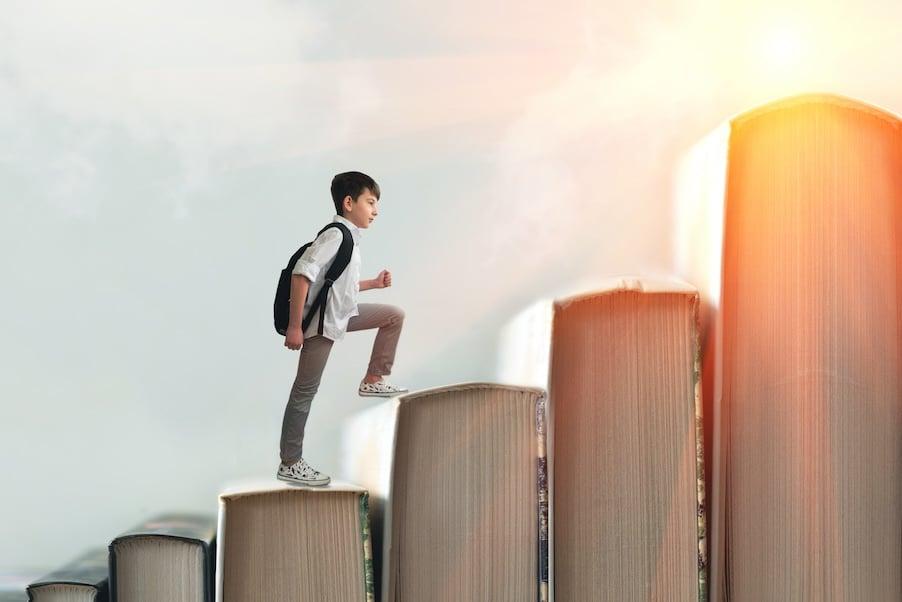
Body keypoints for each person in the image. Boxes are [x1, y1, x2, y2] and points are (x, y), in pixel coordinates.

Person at [277, 171, 407, 486]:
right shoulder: (336, 235)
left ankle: (373, 378)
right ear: (349, 203)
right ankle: (290, 462)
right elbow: (301, 274)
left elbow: (338, 288)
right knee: (304, 391)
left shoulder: (349, 239)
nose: (375, 211)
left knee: (393, 315)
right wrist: (296, 327)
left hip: (341, 314)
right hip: (321, 325)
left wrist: (373, 284)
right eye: (370, 202)